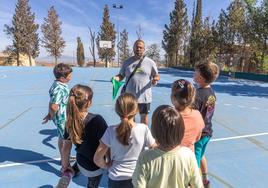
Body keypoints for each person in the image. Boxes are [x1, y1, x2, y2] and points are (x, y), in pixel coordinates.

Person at [132, 105, 203, 188]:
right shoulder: (188, 155)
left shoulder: (145, 158)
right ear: (181, 131)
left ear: (154, 132)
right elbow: (198, 185)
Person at [94, 93, 156, 188]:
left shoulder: (110, 131)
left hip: (116, 179)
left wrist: (107, 165)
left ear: (117, 110)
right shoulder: (143, 129)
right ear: (136, 110)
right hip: (139, 177)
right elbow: (155, 150)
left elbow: (97, 159)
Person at [61, 84, 108, 188]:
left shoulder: (69, 122)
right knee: (93, 182)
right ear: (89, 103)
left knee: (83, 156)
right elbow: (107, 144)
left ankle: (74, 170)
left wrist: (65, 166)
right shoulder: (97, 120)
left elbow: (65, 148)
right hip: (95, 166)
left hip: (81, 160)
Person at [113, 39, 160, 125]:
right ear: (133, 48)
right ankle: (131, 134)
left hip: (144, 97)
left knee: (144, 117)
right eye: (136, 47)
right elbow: (121, 75)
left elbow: (156, 75)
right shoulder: (126, 62)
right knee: (130, 117)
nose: (138, 49)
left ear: (144, 49)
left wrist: (155, 79)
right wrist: (116, 78)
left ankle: (143, 135)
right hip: (130, 97)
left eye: (140, 47)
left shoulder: (150, 62)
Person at [193, 62, 219, 188]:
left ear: (201, 78)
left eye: (196, 72)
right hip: (208, 132)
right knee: (202, 155)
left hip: (199, 135)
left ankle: (196, 184)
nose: (194, 74)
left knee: (194, 163)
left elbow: (193, 115)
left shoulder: (197, 95)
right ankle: (205, 180)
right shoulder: (212, 93)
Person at [42, 63, 73, 162]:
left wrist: (49, 113)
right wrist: (51, 114)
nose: (71, 76)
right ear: (63, 77)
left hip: (61, 117)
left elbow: (51, 101)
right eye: (69, 75)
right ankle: (65, 162)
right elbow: (54, 106)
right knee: (67, 140)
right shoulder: (59, 88)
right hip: (62, 118)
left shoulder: (58, 84)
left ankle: (64, 157)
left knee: (61, 137)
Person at [171, 79, 204, 152]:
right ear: (192, 98)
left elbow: (160, 140)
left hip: (170, 157)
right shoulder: (197, 115)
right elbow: (198, 137)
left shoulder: (169, 116)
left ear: (173, 98)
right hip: (188, 158)